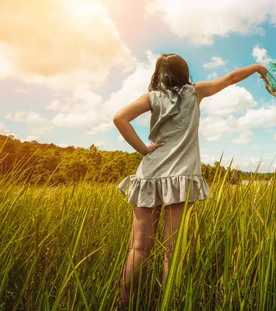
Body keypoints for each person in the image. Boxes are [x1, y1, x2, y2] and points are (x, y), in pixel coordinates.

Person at [113, 53, 266, 308]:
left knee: (138, 249)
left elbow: (120, 118)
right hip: (181, 177)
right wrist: (258, 67)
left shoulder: (152, 98)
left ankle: (124, 305)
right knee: (171, 252)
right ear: (184, 72)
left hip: (149, 174)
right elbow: (231, 78)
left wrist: (143, 149)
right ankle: (168, 305)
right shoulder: (195, 92)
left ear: (159, 74)